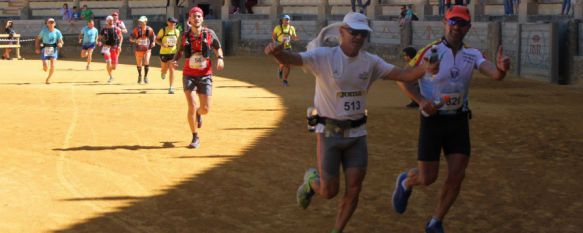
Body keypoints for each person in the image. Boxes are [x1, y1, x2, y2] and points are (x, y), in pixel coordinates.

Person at [264, 12, 438, 233]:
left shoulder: (371, 62)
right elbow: (293, 59)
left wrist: (425, 69)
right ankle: (311, 181)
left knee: (354, 190)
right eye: (353, 32)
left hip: (357, 135)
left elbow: (404, 75)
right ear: (342, 32)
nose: (357, 37)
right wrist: (278, 54)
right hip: (328, 133)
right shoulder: (324, 56)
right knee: (329, 191)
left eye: (362, 33)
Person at [391, 6, 510, 233]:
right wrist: (420, 100)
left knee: (457, 174)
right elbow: (402, 78)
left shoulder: (472, 54)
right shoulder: (430, 51)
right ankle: (406, 182)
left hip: (458, 121)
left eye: (462, 23)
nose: (457, 27)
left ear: (468, 28)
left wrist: (502, 70)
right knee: (427, 178)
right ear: (445, 23)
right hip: (432, 120)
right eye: (453, 22)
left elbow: (494, 74)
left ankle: (436, 221)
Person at [171, 7, 224, 148]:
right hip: (189, 74)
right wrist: (175, 60)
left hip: (205, 74)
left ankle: (199, 114)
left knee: (205, 109)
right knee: (192, 106)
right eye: (194, 16)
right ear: (189, 19)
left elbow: (217, 47)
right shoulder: (184, 36)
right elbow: (179, 51)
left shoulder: (209, 34)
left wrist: (220, 58)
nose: (196, 18)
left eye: (199, 16)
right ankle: (195, 136)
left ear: (202, 18)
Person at [272, 14, 299, 87]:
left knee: (288, 64)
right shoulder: (277, 28)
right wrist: (276, 44)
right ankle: (280, 69)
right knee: (283, 63)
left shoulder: (292, 28)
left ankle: (285, 80)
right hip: (280, 48)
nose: (287, 21)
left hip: (288, 47)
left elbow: (293, 37)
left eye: (288, 20)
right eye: (285, 19)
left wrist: (296, 38)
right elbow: (274, 37)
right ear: (282, 20)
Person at [35, 18, 64, 84]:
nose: (51, 24)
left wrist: (60, 43)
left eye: (52, 22)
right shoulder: (44, 31)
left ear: (54, 24)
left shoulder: (57, 31)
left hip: (53, 48)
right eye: (50, 23)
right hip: (45, 48)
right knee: (45, 67)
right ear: (47, 24)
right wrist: (37, 48)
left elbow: (61, 40)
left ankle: (48, 79)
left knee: (53, 65)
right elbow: (38, 39)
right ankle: (44, 65)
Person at [156, 17, 181, 94]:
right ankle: (163, 72)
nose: (172, 24)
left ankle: (171, 87)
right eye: (171, 22)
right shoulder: (163, 30)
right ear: (167, 22)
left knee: (172, 70)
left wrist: (179, 51)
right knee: (164, 69)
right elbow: (156, 39)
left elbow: (178, 42)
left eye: (174, 23)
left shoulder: (177, 31)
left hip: (173, 53)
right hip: (164, 52)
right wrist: (162, 44)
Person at [130, 16, 156, 84]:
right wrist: (136, 40)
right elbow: (131, 38)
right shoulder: (136, 29)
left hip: (147, 48)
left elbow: (153, 37)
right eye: (140, 21)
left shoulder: (150, 29)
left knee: (146, 61)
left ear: (145, 22)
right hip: (139, 49)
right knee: (139, 63)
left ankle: (145, 76)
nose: (140, 23)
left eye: (142, 21)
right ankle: (139, 75)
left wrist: (153, 42)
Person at [97, 16, 123, 83]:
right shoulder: (104, 29)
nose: (111, 21)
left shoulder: (117, 29)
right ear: (107, 21)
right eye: (109, 20)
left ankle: (109, 69)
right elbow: (99, 38)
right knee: (108, 62)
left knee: (114, 67)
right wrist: (99, 41)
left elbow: (121, 37)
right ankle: (111, 77)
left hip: (115, 48)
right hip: (106, 48)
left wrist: (120, 46)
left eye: (112, 20)